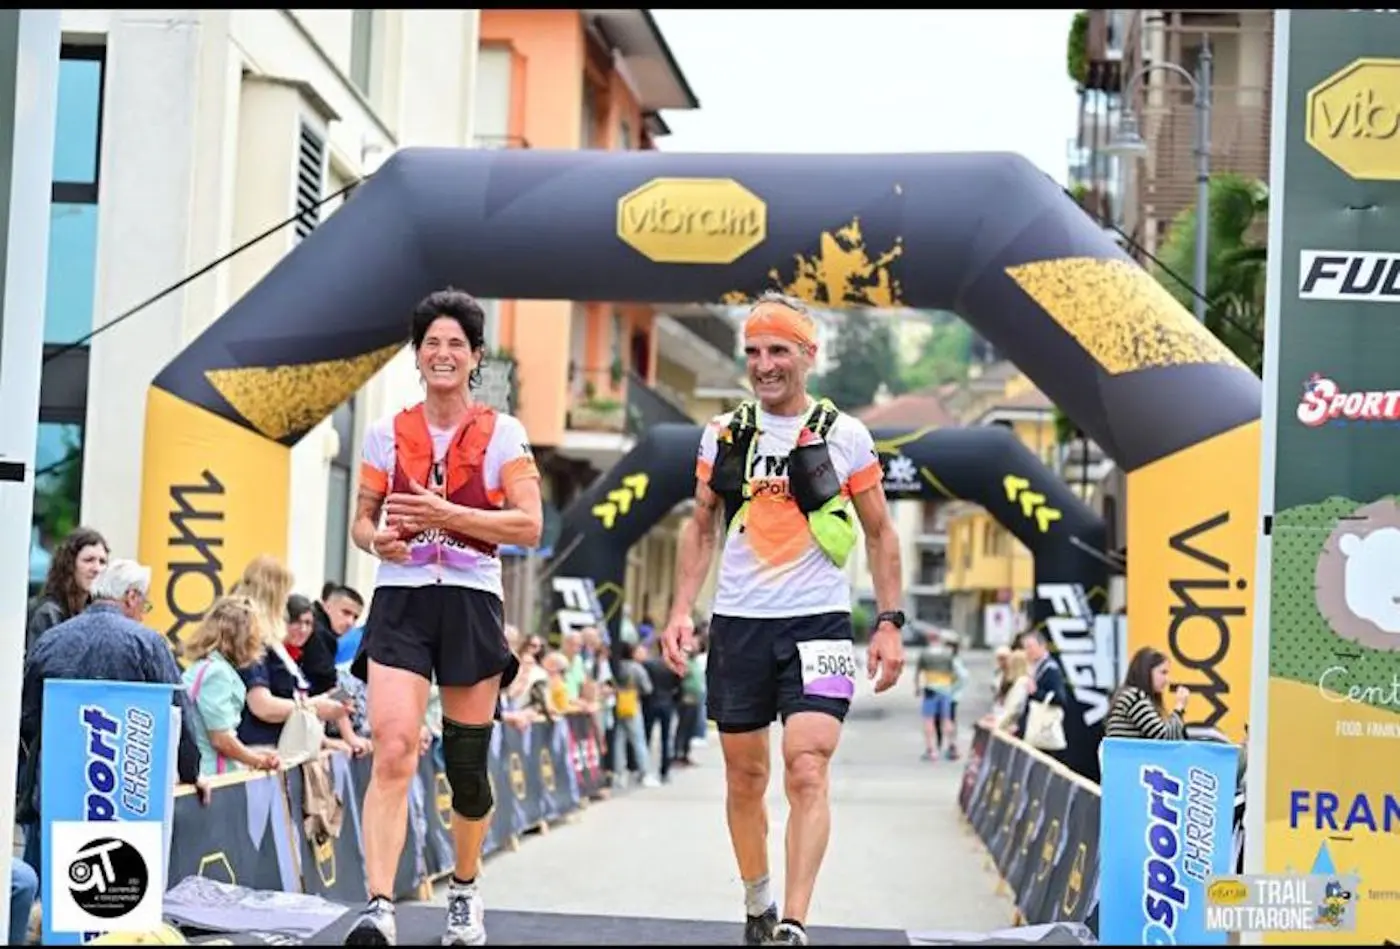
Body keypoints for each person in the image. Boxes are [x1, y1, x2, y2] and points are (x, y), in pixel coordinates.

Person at [660, 292, 907, 947]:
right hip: (739, 625)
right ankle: (759, 897)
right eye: (754, 352)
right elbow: (701, 525)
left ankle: (795, 921)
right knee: (746, 776)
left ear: (808, 354)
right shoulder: (724, 435)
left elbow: (882, 534)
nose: (764, 364)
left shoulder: (844, 435)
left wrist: (889, 621)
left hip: (820, 626)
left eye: (778, 350)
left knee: (806, 767)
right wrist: (681, 610)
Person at [344, 288, 542, 947]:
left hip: (470, 598)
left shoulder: (502, 433)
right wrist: (379, 541)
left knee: (465, 765)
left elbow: (529, 524)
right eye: (432, 343)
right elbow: (361, 521)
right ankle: (378, 904)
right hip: (401, 598)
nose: (443, 353)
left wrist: (444, 516)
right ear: (417, 355)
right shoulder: (384, 432)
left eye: (456, 343)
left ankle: (463, 888)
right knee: (394, 747)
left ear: (476, 356)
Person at [19, 560, 211, 881]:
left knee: (47, 898)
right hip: (124, 798)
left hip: (55, 791)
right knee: (113, 898)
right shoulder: (148, 643)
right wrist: (192, 771)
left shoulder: (51, 639)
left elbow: (27, 718)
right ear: (132, 597)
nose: (144, 613)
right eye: (145, 604)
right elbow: (178, 715)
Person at [25, 526, 108, 652]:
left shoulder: (96, 612)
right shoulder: (48, 613)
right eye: (88, 560)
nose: (97, 568)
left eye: (102, 562)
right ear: (69, 564)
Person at [1104, 646, 1188, 741]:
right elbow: (1165, 738)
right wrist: (1179, 706)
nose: (1167, 680)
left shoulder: (1131, 695)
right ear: (1146, 671)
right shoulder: (1134, 697)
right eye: (1163, 672)